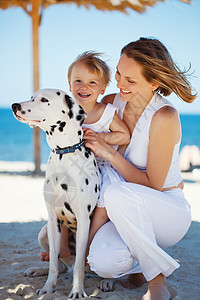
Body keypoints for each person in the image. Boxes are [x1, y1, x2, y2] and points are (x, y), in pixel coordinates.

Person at [83, 38, 197, 300]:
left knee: (115, 194)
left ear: (154, 82)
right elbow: (74, 119)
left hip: (166, 210)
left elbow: (153, 184)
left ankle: (157, 280)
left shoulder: (164, 116)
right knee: (103, 262)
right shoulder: (113, 103)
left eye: (130, 81)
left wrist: (109, 152)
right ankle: (138, 265)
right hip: (120, 209)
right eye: (119, 74)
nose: (120, 84)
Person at [40, 51, 130, 264]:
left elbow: (124, 134)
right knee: (58, 197)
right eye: (78, 81)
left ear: (102, 88)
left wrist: (102, 137)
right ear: (69, 84)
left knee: (105, 196)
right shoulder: (64, 109)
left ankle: (89, 244)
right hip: (71, 169)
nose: (84, 86)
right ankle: (62, 250)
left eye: (92, 82)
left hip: (99, 168)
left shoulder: (105, 112)